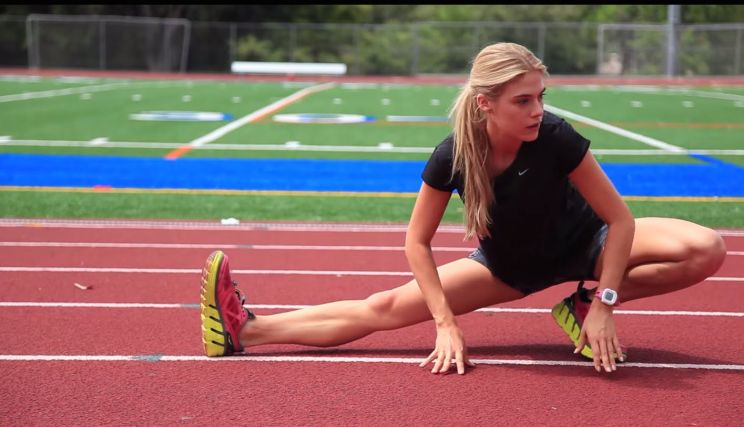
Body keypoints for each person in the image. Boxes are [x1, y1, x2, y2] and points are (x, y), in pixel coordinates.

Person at [199, 42, 726, 375]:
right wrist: (445, 322)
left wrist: (607, 301)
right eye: (523, 101)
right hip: (509, 267)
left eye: (541, 96)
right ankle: (245, 330)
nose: (538, 110)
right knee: (381, 309)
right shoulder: (452, 156)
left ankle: (581, 307)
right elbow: (416, 242)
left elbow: (621, 220)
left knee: (705, 247)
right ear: (485, 104)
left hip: (588, 245)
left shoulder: (557, 138)